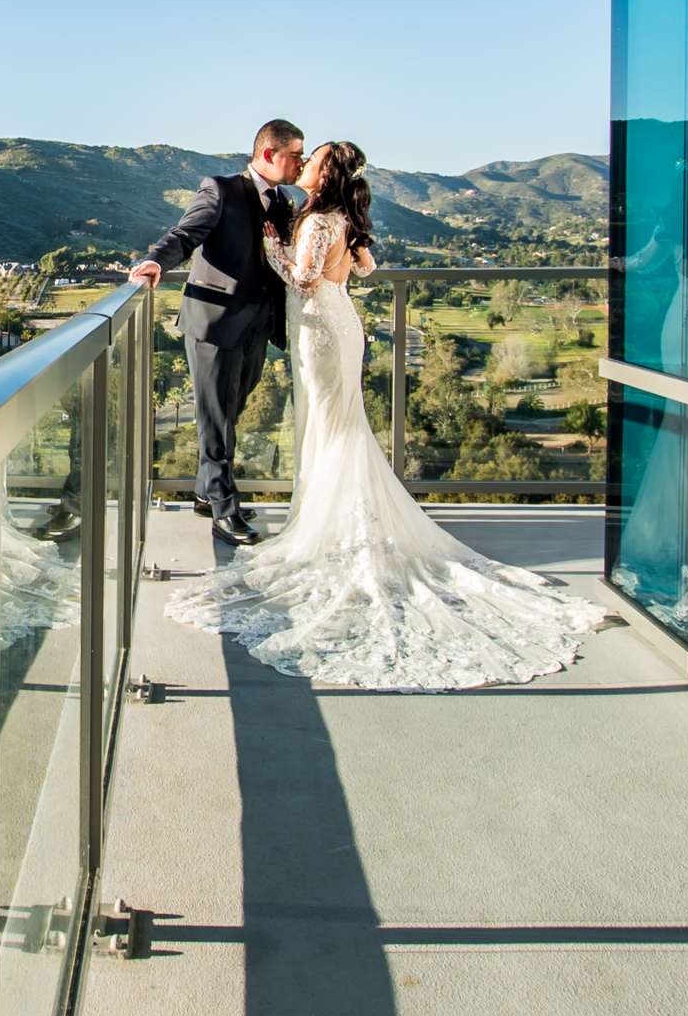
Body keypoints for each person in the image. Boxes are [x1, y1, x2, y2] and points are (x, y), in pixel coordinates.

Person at [166, 141, 608, 689]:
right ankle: (328, 518)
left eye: (313, 158)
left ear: (325, 171)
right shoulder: (339, 218)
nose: (303, 165)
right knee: (340, 426)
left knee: (329, 428)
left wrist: (273, 245)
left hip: (321, 333)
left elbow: (302, 281)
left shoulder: (316, 219)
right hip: (339, 325)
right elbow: (368, 269)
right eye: (299, 156)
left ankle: (328, 529)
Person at [130, 120, 303, 547]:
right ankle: (224, 509)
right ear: (268, 154)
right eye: (295, 154)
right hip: (215, 323)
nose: (300, 162)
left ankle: (206, 493)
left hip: (257, 327)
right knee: (216, 418)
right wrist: (156, 261)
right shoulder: (221, 189)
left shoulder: (283, 200)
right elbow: (186, 233)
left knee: (232, 411)